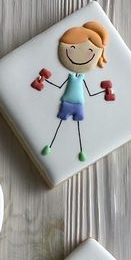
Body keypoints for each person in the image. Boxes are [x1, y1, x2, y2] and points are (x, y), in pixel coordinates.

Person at [33, 20, 113, 162]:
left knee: (76, 125)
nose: (76, 53)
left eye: (90, 51)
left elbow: (89, 93)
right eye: (72, 48)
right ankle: (51, 145)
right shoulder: (71, 76)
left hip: (77, 104)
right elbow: (59, 86)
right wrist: (44, 81)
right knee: (61, 123)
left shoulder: (81, 77)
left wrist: (105, 91)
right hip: (67, 102)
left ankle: (80, 149)